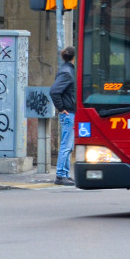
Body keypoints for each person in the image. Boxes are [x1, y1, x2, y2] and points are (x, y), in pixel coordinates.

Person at [50, 46, 77, 186]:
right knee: (66, 145)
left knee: (68, 145)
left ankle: (65, 173)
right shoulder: (67, 72)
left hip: (70, 112)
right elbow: (54, 91)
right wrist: (61, 108)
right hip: (68, 113)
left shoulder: (67, 69)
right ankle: (60, 175)